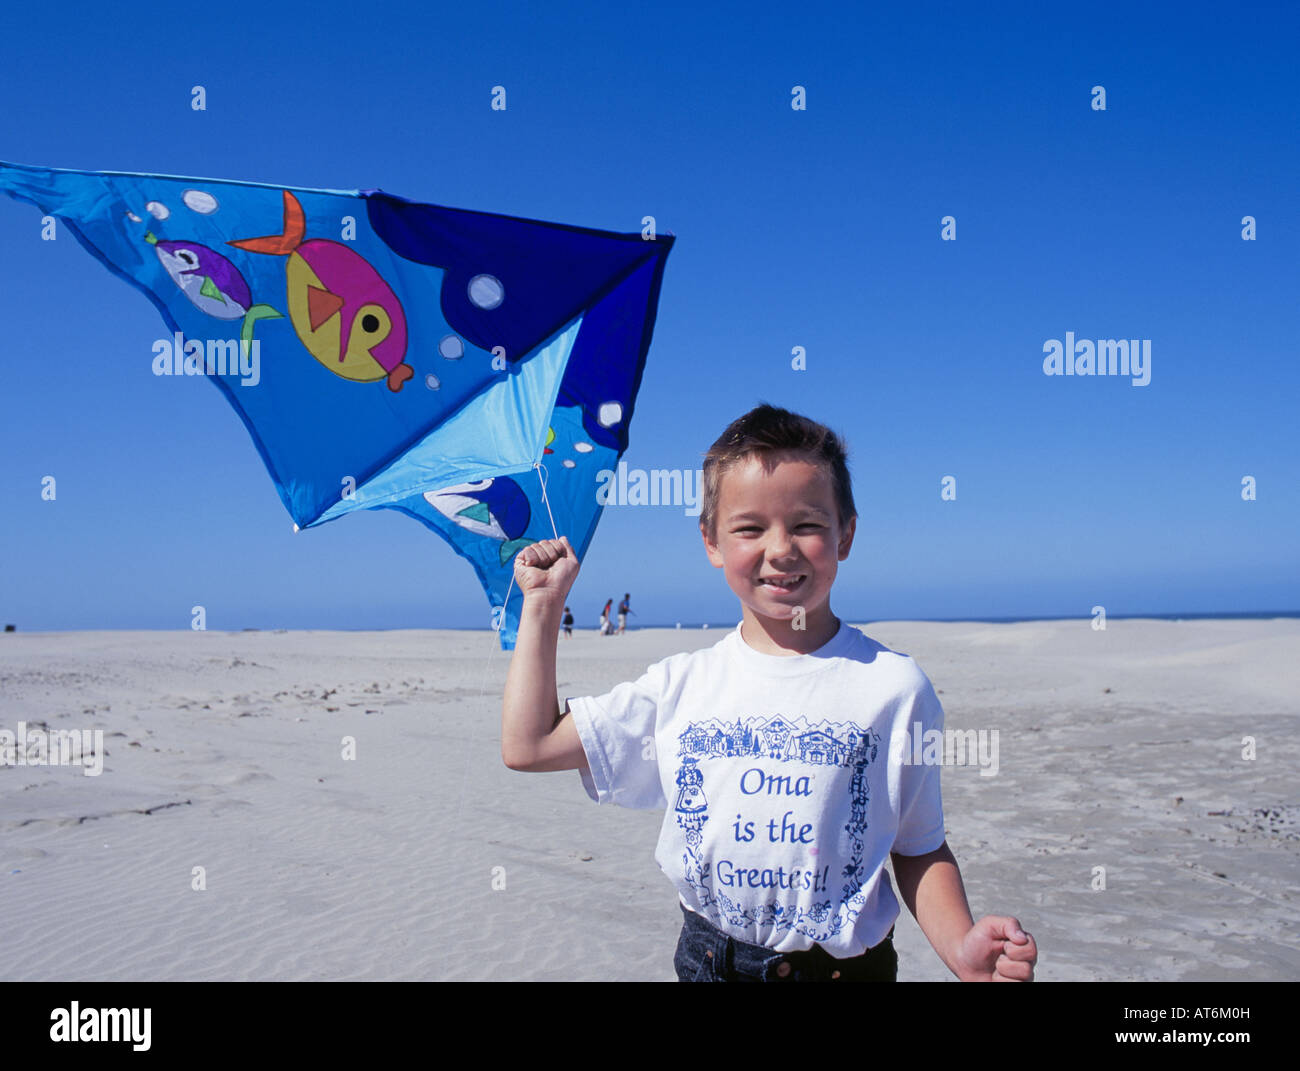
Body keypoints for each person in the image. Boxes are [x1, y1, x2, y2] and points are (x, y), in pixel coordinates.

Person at [500, 404, 1037, 982]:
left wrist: (960, 946)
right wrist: (543, 605)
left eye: (806, 524)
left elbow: (918, 845)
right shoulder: (683, 685)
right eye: (750, 528)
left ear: (846, 534)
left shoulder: (893, 688)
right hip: (712, 961)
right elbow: (530, 745)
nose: (780, 548)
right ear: (711, 540)